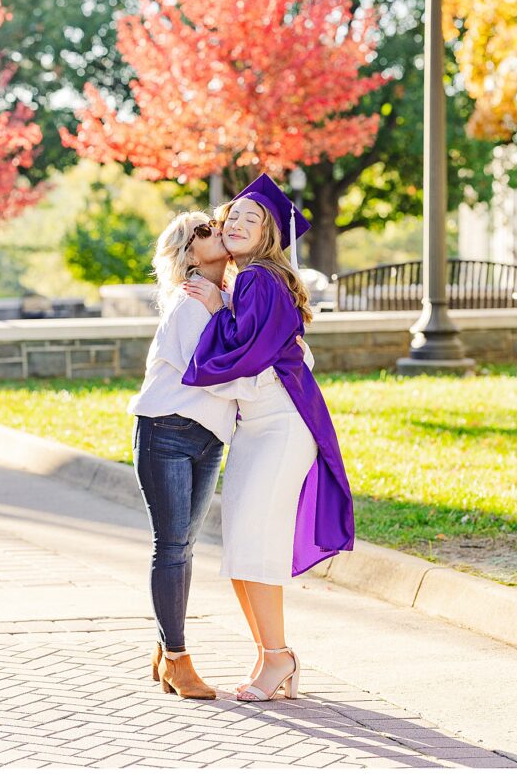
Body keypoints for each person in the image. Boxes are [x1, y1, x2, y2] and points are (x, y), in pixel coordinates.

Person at [182, 174, 355, 703]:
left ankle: (278, 657)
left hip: (280, 426)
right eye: (231, 216)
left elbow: (246, 352)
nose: (234, 224)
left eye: (249, 220)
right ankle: (270, 657)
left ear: (269, 234)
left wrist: (215, 308)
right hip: (259, 427)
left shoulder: (257, 279)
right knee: (241, 546)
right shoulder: (252, 280)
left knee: (254, 543)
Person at [128, 210, 274, 700]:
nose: (222, 231)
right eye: (207, 231)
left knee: (184, 547)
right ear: (190, 253)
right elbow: (217, 368)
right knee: (171, 547)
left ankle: (163, 649)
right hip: (166, 432)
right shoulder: (190, 302)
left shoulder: (224, 297)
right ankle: (177, 659)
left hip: (207, 438)